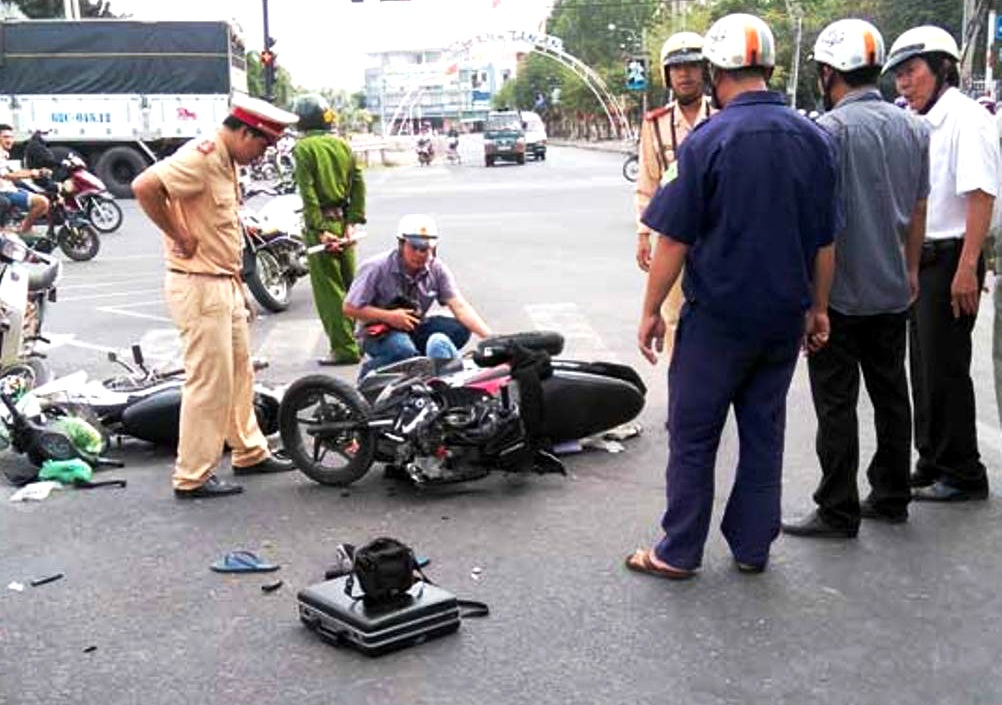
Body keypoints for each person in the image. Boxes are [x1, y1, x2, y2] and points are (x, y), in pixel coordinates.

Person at [625, 13, 839, 578]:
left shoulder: (706, 141)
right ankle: (751, 546)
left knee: (693, 434)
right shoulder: (814, 138)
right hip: (783, 317)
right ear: (768, 68)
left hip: (717, 319)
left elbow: (672, 238)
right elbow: (824, 240)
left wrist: (650, 311)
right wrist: (818, 309)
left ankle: (678, 551)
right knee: (763, 432)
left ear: (717, 72)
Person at [782, 19, 930, 538]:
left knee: (837, 402)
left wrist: (813, 302)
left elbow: (819, 228)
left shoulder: (827, 133)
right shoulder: (914, 127)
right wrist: (910, 271)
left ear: (828, 73)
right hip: (893, 289)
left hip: (840, 295)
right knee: (892, 395)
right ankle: (892, 496)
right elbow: (918, 209)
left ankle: (838, 508)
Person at [131, 94, 296, 499]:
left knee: (240, 374)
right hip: (199, 283)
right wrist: (178, 233)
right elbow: (145, 185)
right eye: (262, 145)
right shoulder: (202, 156)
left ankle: (249, 452)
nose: (263, 155)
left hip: (222, 282)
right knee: (209, 383)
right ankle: (193, 475)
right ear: (243, 131)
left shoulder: (226, 159)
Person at [886, 26, 1000, 501]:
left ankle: (963, 471)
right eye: (898, 76)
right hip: (924, 261)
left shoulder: (966, 119)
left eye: (912, 73)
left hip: (954, 257)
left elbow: (981, 196)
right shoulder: (922, 120)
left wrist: (967, 268)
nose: (903, 84)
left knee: (947, 368)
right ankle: (931, 458)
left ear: (942, 68)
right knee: (924, 367)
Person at [634, 31, 714, 361]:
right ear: (667, 75)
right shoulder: (656, 125)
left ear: (706, 70)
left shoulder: (724, 117)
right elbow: (647, 183)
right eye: (677, 68)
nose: (685, 74)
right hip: (674, 238)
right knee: (674, 321)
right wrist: (643, 235)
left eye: (693, 66)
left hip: (718, 235)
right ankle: (682, 401)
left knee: (717, 320)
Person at [343, 214, 492, 378]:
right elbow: (349, 308)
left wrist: (492, 339)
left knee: (460, 328)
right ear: (401, 244)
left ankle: (419, 366)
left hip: (414, 326)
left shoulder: (436, 268)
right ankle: (371, 375)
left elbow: (459, 306)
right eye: (414, 247)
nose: (420, 254)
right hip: (379, 331)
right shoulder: (376, 267)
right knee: (403, 351)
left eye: (425, 249)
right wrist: (389, 316)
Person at [289, 93, 366, 366]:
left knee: (330, 292)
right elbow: (358, 183)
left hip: (322, 227)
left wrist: (320, 230)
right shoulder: (342, 146)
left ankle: (344, 348)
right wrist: (351, 223)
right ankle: (360, 340)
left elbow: (308, 194)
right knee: (351, 285)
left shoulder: (303, 149)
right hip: (344, 225)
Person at [0, 124, 51, 234]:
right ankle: (22, 231)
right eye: (6, 137)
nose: (10, 140)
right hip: (4, 193)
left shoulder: (4, 154)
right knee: (41, 202)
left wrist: (39, 172)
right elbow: (6, 175)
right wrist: (32, 173)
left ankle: (22, 229)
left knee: (44, 202)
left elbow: (13, 173)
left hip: (10, 189)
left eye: (11, 137)